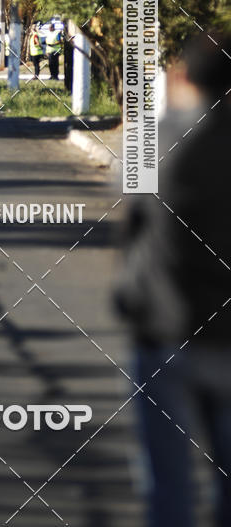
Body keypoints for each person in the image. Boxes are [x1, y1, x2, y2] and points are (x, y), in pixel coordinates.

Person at [115, 31, 231, 527]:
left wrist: (130, 296)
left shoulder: (156, 140)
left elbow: (132, 227)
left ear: (182, 76)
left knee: (170, 489)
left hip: (165, 335)